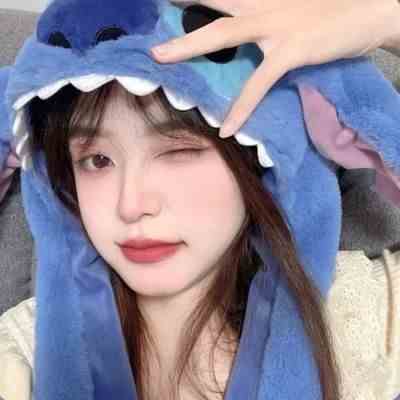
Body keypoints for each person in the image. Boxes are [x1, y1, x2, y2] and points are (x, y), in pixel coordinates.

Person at [0, 0, 400, 399]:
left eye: (178, 150)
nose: (131, 205)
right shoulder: (23, 352)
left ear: (258, 159)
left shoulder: (377, 313)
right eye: (97, 160)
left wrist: (381, 18)